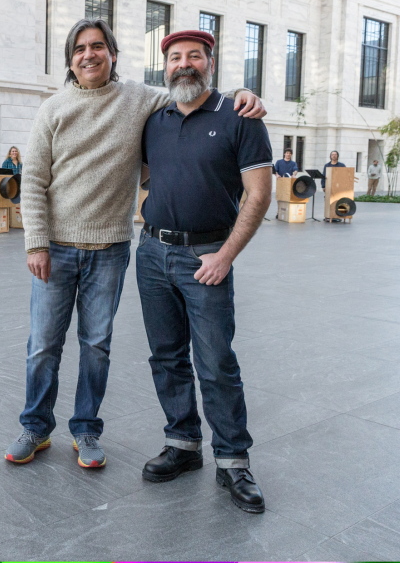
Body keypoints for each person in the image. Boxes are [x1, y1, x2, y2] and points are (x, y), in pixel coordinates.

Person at [5, 19, 265, 470]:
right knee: (44, 344)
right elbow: (32, 181)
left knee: (98, 345)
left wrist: (243, 92)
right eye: (80, 49)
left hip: (111, 249)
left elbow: (194, 93)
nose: (89, 55)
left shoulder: (141, 99)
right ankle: (36, 426)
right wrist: (35, 244)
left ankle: (87, 429)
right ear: (70, 60)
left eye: (98, 46)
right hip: (57, 249)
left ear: (113, 54)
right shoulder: (53, 108)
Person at [135, 30, 272, 514]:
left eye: (194, 55)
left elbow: (259, 195)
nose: (184, 63)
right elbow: (146, 176)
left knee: (215, 362)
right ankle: (183, 444)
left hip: (207, 257)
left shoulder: (239, 116)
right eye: (175, 57)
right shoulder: (155, 120)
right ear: (165, 66)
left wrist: (226, 255)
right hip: (151, 255)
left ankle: (233, 460)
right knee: (166, 356)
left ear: (210, 63)